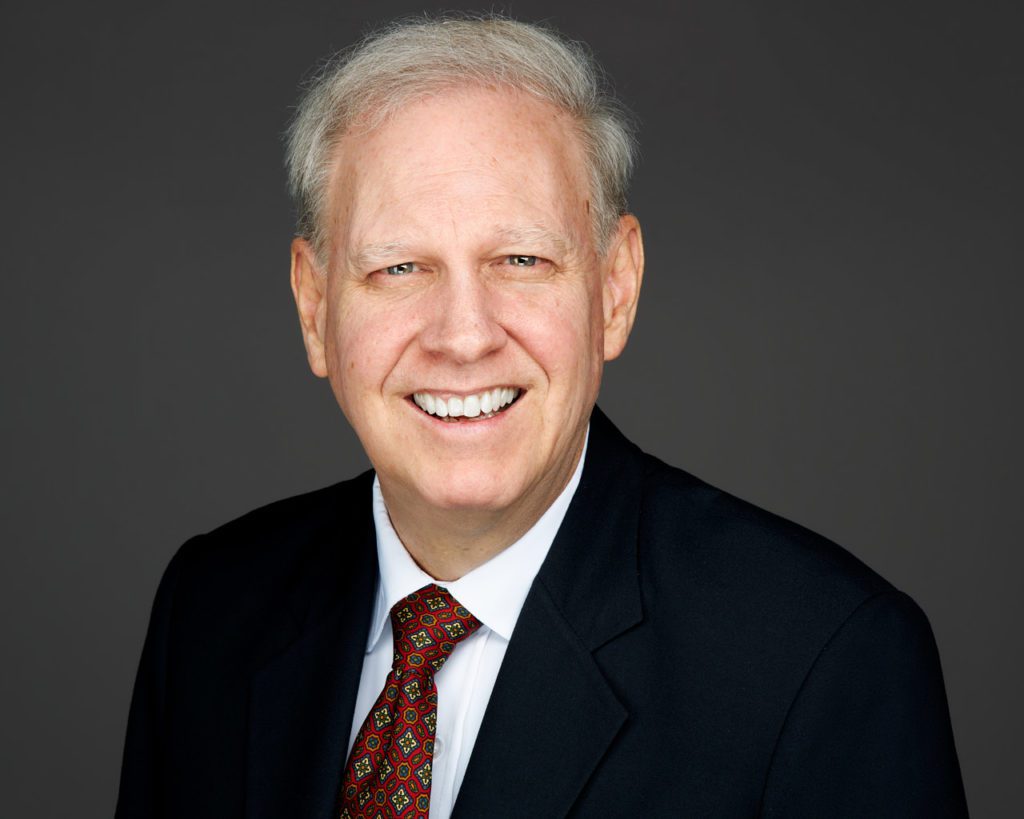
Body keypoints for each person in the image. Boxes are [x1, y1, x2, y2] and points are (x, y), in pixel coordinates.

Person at [115, 14, 968, 819]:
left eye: (521, 259)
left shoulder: (824, 660)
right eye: (400, 266)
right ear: (313, 307)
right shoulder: (213, 609)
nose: (463, 335)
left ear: (616, 290)